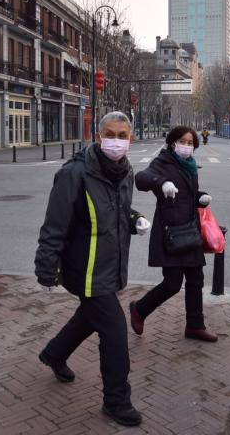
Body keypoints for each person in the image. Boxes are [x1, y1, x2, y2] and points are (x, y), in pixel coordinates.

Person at [35, 111, 151, 427]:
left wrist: (133, 219)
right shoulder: (74, 174)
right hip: (84, 270)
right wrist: (45, 268)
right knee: (113, 330)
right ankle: (116, 401)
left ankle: (55, 354)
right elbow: (55, 225)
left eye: (122, 135)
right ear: (98, 136)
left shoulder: (125, 172)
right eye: (110, 134)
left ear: (131, 138)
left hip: (110, 267)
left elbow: (117, 211)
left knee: (89, 317)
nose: (116, 141)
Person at [129, 125, 218, 343]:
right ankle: (140, 309)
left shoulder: (190, 166)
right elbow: (141, 179)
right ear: (172, 142)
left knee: (196, 279)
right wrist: (162, 182)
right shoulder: (163, 162)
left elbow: (187, 194)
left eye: (191, 143)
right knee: (172, 283)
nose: (187, 146)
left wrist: (201, 197)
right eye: (183, 142)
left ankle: (195, 326)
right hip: (171, 232)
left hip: (190, 229)